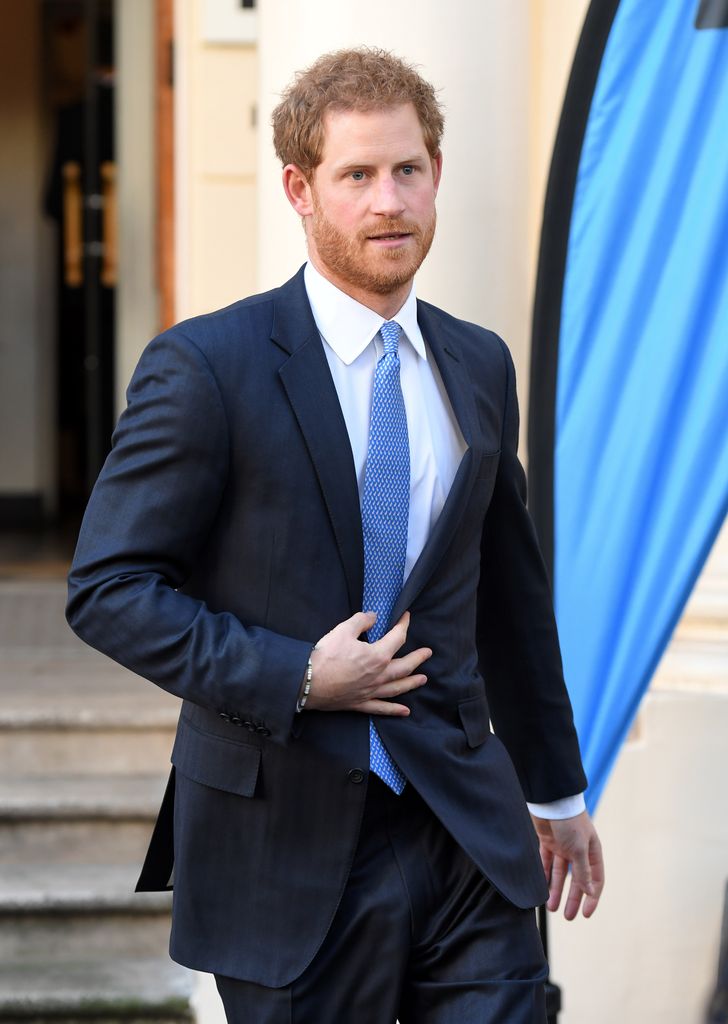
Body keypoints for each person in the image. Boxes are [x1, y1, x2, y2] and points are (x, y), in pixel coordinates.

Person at [66, 47, 604, 1024]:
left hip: (465, 830)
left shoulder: (477, 365)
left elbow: (508, 596)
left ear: (435, 175)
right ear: (299, 189)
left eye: (406, 169)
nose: (387, 200)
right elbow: (107, 588)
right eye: (355, 174)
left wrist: (557, 793)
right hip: (285, 843)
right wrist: (296, 674)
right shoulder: (207, 368)